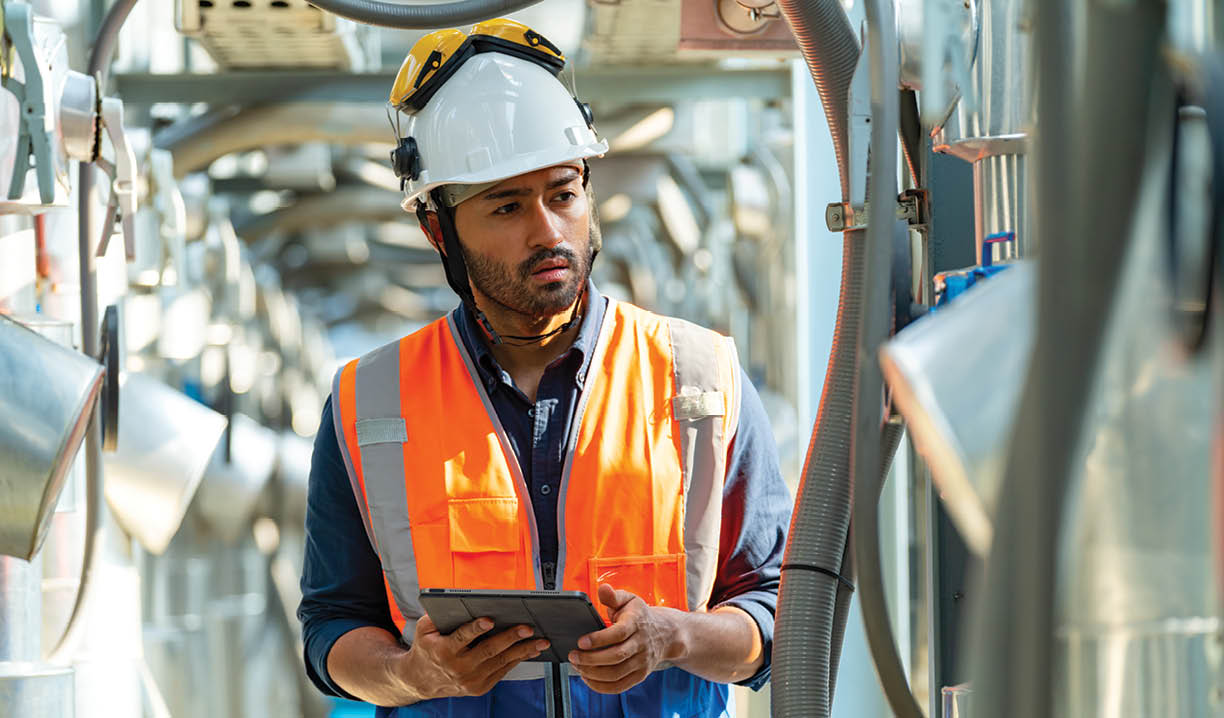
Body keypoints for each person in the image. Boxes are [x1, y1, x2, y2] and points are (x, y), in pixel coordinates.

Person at [297, 18, 791, 718]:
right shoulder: (369, 400)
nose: (549, 231)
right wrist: (415, 674)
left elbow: (775, 614)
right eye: (506, 206)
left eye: (562, 194)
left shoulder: (698, 378)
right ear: (439, 230)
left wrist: (673, 637)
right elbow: (332, 629)